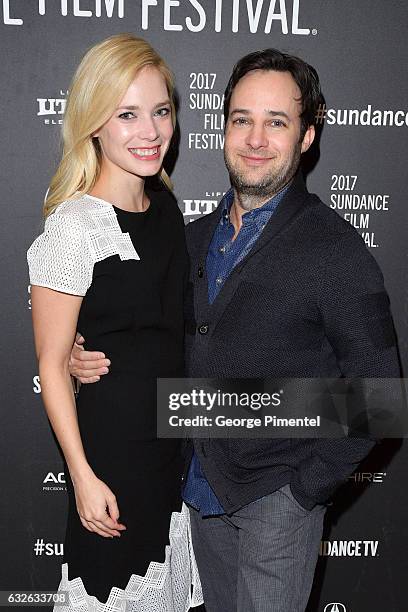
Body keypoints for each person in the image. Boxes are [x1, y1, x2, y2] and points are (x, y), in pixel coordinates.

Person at [69, 49, 401, 612]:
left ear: (307, 137)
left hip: (276, 502)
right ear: (223, 128)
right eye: (242, 119)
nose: (255, 138)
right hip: (194, 497)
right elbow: (155, 339)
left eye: (277, 122)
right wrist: (86, 355)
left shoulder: (335, 249)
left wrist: (300, 493)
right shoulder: (189, 237)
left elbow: (381, 397)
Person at [27, 34, 202, 612]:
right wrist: (82, 476)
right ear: (93, 123)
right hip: (113, 459)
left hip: (171, 457)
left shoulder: (168, 209)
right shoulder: (75, 226)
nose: (149, 132)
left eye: (160, 111)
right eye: (127, 114)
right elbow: (52, 366)